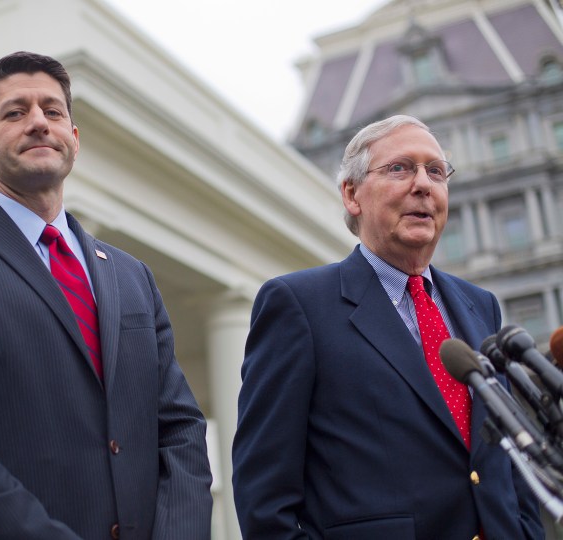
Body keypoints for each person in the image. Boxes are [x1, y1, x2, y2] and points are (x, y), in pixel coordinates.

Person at [0, 51, 213, 539]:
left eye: (53, 111)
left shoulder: (133, 276)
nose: (38, 122)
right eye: (15, 112)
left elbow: (180, 429)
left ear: (73, 138)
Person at [231, 115, 543, 539]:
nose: (423, 184)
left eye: (436, 171)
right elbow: (264, 498)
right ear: (352, 194)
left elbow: (508, 453)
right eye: (400, 168)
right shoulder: (297, 305)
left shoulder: (480, 305)